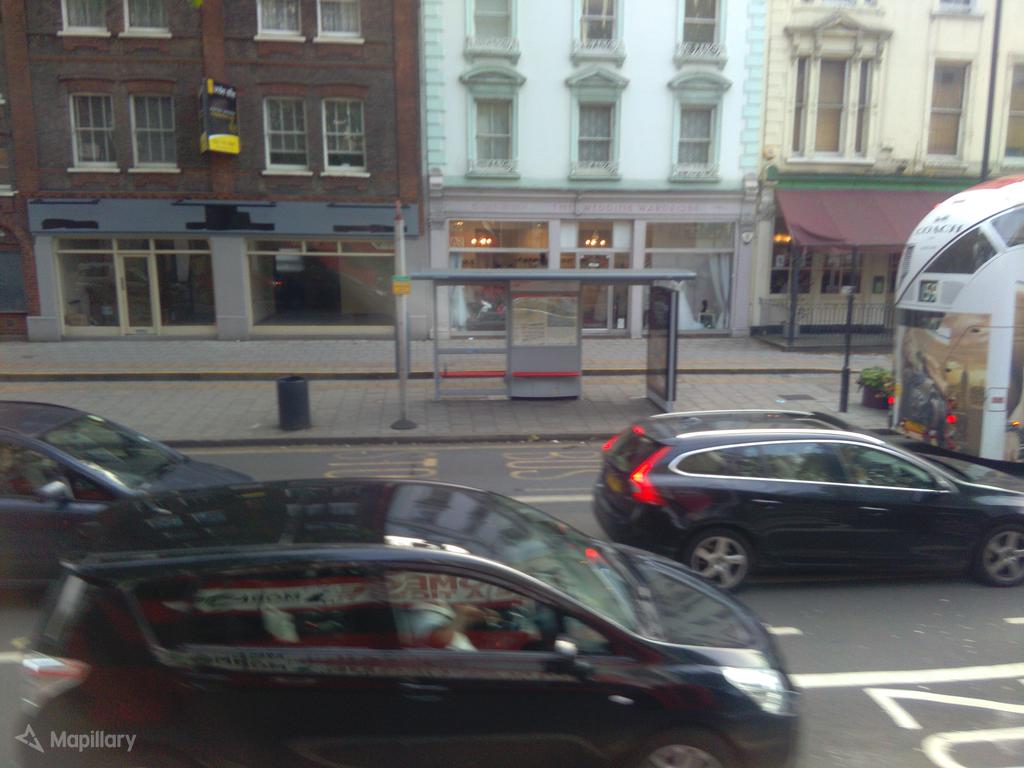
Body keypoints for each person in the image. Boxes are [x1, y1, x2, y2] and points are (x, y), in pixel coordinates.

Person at [404, 601, 497, 651]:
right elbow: (441, 640)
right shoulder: (421, 611)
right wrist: (463, 614)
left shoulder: (444, 603)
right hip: (453, 668)